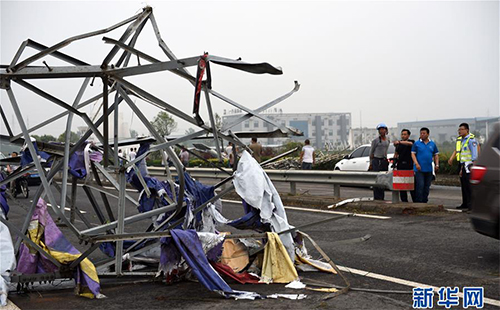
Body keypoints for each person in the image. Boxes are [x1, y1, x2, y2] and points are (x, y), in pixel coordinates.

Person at [447, 123, 478, 210]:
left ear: (467, 130)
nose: (459, 131)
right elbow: (458, 151)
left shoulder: (471, 140)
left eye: (461, 129)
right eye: (459, 129)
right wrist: (452, 158)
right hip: (462, 165)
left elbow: (475, 154)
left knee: (469, 186)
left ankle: (472, 205)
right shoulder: (460, 140)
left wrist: (473, 165)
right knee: (464, 185)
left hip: (469, 165)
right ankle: (465, 203)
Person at [411, 127, 439, 203]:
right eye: (421, 133)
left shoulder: (432, 144)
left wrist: (437, 165)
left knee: (427, 186)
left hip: (429, 169)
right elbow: (413, 154)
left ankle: (424, 200)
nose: (422, 135)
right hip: (419, 169)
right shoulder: (416, 144)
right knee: (420, 185)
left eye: (424, 133)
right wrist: (416, 164)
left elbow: (436, 155)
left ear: (428, 134)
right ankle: (418, 201)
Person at [369, 123, 390, 200]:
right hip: (376, 160)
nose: (382, 131)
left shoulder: (388, 140)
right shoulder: (375, 141)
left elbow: (386, 150)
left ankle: (382, 196)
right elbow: (371, 152)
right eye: (380, 130)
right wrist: (371, 163)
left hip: (384, 160)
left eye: (383, 129)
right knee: (377, 179)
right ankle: (377, 197)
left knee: (383, 179)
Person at [393, 129, 415, 202]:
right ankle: (404, 201)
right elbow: (396, 153)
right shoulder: (398, 144)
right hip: (400, 165)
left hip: (409, 166)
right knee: (401, 185)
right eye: (402, 134)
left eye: (405, 134)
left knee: (411, 184)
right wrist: (394, 161)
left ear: (408, 135)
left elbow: (410, 144)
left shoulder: (411, 142)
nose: (403, 136)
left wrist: (399, 142)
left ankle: (415, 200)